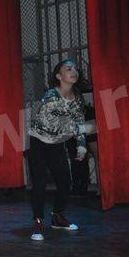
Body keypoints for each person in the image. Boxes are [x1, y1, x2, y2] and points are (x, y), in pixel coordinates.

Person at [27, 59, 95, 241]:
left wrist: (81, 145)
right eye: (68, 69)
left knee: (65, 181)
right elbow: (51, 125)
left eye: (75, 69)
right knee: (40, 183)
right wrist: (81, 129)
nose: (74, 71)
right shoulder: (51, 95)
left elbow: (79, 121)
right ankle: (38, 221)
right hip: (38, 141)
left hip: (57, 143)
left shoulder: (77, 98)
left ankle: (57, 216)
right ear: (59, 76)